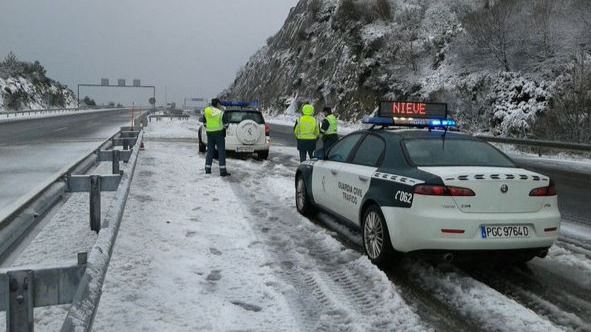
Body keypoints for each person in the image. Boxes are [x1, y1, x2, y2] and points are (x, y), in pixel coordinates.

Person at [203, 98, 230, 177]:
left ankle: (207, 169)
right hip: (219, 134)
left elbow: (204, 123)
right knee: (221, 152)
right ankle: (222, 171)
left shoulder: (206, 111)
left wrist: (209, 127)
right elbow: (226, 125)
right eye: (219, 104)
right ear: (217, 104)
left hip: (209, 134)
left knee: (210, 151)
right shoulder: (220, 113)